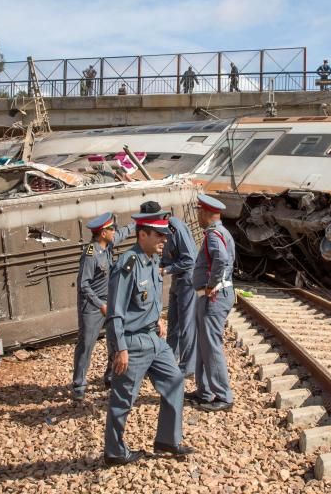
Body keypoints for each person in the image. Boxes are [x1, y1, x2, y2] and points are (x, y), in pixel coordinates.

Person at [104, 210, 193, 465]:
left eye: (166, 234)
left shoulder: (152, 259)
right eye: (159, 235)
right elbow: (115, 313)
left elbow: (147, 300)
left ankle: (167, 439)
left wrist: (158, 320)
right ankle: (115, 451)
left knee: (175, 380)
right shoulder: (127, 264)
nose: (164, 240)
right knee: (123, 400)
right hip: (132, 343)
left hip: (154, 339)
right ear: (142, 234)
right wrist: (119, 349)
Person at [72, 213, 136, 401]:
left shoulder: (107, 245)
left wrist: (136, 224)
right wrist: (100, 305)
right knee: (86, 345)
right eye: (111, 229)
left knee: (114, 342)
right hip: (92, 307)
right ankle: (78, 385)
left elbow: (123, 233)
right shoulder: (90, 254)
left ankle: (110, 377)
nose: (114, 232)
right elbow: (83, 285)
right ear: (102, 233)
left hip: (109, 303)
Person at [186, 194, 236, 412]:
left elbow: (221, 259)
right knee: (204, 345)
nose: (197, 215)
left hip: (214, 297)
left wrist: (212, 283)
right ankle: (204, 391)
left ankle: (223, 395)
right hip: (214, 296)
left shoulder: (214, 235)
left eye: (199, 211)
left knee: (211, 346)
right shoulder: (222, 232)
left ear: (206, 213)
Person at [140, 200, 197, 377]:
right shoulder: (160, 230)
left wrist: (165, 269)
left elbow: (189, 260)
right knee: (174, 322)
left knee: (186, 325)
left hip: (187, 278)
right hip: (176, 277)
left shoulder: (175, 228)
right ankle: (170, 361)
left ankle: (187, 367)